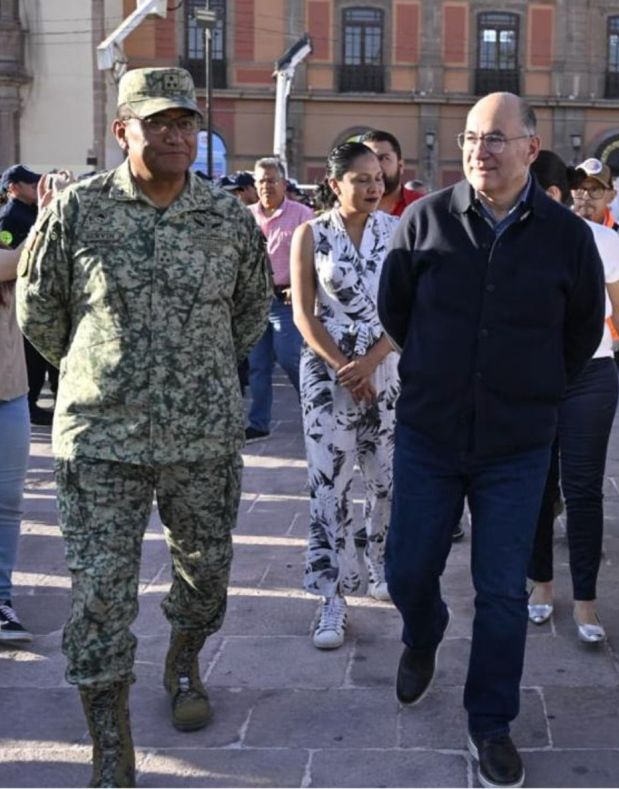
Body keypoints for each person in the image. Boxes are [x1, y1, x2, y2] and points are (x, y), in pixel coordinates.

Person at [16, 67, 272, 786]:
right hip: (101, 439)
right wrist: (101, 369)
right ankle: (110, 744)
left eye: (185, 121)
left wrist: (198, 376)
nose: (175, 133)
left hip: (203, 438)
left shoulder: (226, 219)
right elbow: (39, 312)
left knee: (207, 579)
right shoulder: (78, 211)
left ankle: (184, 657)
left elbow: (250, 314)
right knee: (99, 594)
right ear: (122, 128)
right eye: (157, 121)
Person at [379, 92, 605, 789]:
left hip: (517, 443)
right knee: (407, 568)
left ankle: (491, 722)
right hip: (430, 433)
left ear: (531, 148)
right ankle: (424, 631)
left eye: (498, 138)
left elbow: (584, 334)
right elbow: (398, 311)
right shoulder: (424, 221)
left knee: (503, 592)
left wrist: (529, 389)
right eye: (473, 137)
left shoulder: (567, 236)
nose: (481, 150)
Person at [526, 150, 619, 641]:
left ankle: (586, 601)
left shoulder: (605, 241)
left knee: (583, 490)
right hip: (534, 378)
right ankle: (541, 584)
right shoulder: (513, 237)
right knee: (539, 484)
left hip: (592, 374)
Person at [291, 142, 400, 649]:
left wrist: (373, 362)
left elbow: (410, 307)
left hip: (389, 368)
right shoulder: (309, 234)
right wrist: (344, 367)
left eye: (378, 177)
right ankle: (331, 596)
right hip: (326, 371)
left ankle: (381, 566)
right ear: (335, 183)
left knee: (387, 478)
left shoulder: (398, 232)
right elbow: (303, 314)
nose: (374, 186)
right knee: (328, 484)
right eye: (361, 178)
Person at [246, 157, 314, 441]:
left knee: (290, 358)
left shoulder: (302, 215)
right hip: (255, 301)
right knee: (258, 365)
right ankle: (258, 423)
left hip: (287, 301)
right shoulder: (246, 215)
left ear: (284, 183)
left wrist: (301, 288)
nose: (266, 186)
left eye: (272, 180)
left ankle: (313, 412)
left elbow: (315, 256)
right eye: (261, 181)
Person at [0, 164, 58, 426]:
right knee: (33, 360)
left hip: (10, 394)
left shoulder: (28, 211)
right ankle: (33, 402)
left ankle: (31, 401)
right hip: (25, 298)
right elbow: (14, 263)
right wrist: (46, 216)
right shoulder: (10, 216)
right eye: (30, 184)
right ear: (13, 187)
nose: (36, 188)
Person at [0, 239, 31, 643]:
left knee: (8, 505)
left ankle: (2, 599)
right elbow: (24, 259)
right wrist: (48, 212)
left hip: (11, 394)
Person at [359, 129, 424, 217]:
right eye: (369, 159)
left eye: (384, 158)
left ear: (400, 166)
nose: (376, 166)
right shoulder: (348, 209)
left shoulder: (423, 207)